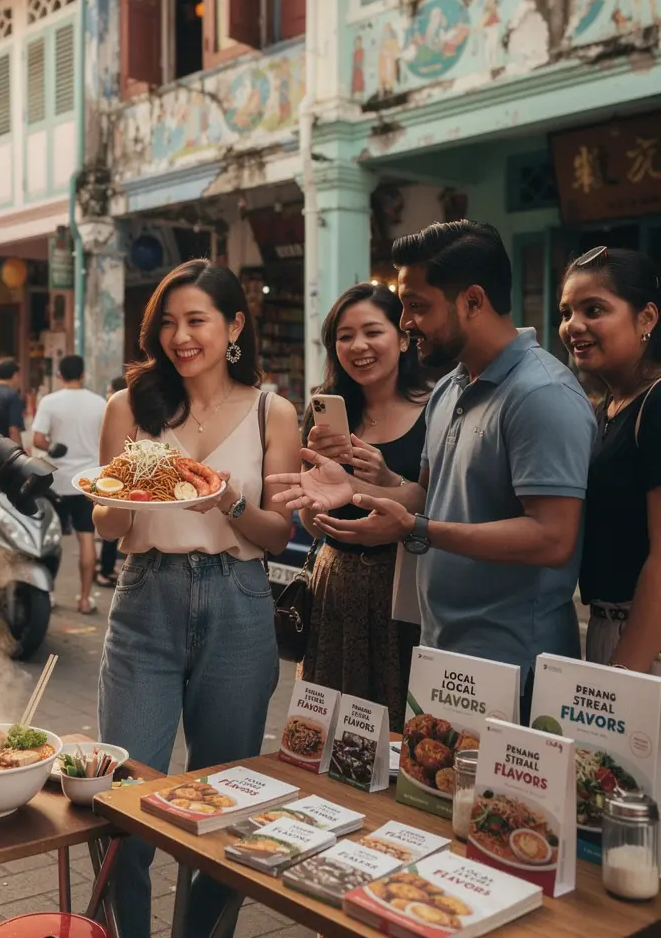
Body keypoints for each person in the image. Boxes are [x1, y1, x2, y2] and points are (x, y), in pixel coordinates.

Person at [269, 221, 596, 720]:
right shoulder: (450, 388)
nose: (406, 322)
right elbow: (428, 498)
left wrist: (417, 529)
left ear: (473, 300)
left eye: (417, 306)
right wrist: (357, 487)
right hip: (438, 651)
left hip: (515, 660)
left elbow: (552, 538)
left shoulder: (541, 394)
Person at [95, 259, 300, 938]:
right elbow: (107, 523)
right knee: (123, 795)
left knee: (223, 804)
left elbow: (278, 534)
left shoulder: (274, 411)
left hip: (239, 602)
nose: (180, 337)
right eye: (168, 323)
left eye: (196, 321)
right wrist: (122, 496)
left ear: (234, 326)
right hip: (145, 595)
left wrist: (229, 500)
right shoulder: (129, 407)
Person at [298, 284, 428, 731]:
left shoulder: (436, 409)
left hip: (405, 588)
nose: (358, 346)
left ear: (404, 338)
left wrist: (382, 480)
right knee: (329, 731)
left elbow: (436, 504)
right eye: (345, 336)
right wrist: (315, 487)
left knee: (401, 726)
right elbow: (312, 522)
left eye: (373, 332)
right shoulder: (325, 415)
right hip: (335, 587)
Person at [559, 247, 661, 672]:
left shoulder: (656, 404)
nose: (573, 326)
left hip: (645, 641)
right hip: (607, 627)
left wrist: (624, 672)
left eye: (594, 309)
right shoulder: (607, 409)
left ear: (646, 318)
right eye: (566, 312)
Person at [32, 355, 107, 614]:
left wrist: (53, 446)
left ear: (60, 375)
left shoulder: (49, 402)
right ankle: (84, 600)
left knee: (49, 540)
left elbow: (38, 439)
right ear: (83, 374)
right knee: (86, 538)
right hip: (87, 483)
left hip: (57, 481)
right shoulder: (100, 403)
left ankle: (48, 594)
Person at [96, 375, 129, 587]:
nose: (107, 394)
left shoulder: (119, 408)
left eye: (109, 390)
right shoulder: (115, 407)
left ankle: (105, 569)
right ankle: (105, 569)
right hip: (103, 478)